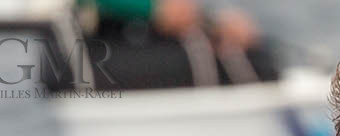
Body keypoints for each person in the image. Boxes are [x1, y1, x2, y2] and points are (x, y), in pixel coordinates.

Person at [77, 0, 278, 90]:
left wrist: (216, 16)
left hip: (121, 41)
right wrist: (152, 8)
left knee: (255, 54)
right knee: (255, 63)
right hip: (89, 56)